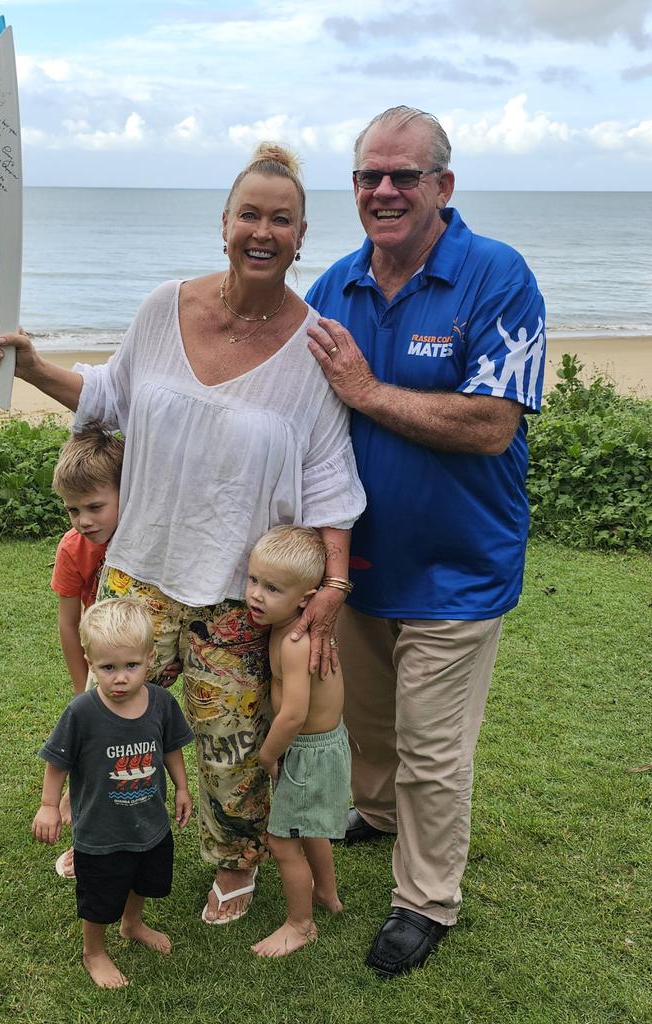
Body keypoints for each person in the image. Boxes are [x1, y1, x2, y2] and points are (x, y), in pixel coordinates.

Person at [0, 142, 366, 924]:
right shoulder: (165, 306)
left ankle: (235, 864)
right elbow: (107, 394)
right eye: (250, 215)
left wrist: (332, 585)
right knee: (110, 716)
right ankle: (103, 829)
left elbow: (331, 483)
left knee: (231, 750)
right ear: (224, 223)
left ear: (301, 238)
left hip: (242, 595)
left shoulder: (315, 345)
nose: (263, 231)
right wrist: (31, 367)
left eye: (282, 220)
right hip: (140, 571)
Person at [303, 106, 546, 977]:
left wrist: (368, 392)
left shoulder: (497, 277)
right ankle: (373, 813)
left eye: (405, 175)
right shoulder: (333, 288)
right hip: (357, 569)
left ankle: (426, 899)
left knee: (434, 754)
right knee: (370, 733)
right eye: (370, 175)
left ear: (443, 186)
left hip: (459, 568)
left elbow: (489, 425)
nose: (385, 190)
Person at [32, 598, 193, 989]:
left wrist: (183, 788)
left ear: (150, 658)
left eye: (131, 666)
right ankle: (94, 951)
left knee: (145, 878)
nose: (120, 678)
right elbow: (58, 761)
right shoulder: (82, 712)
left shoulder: (161, 703)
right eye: (108, 668)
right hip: (100, 831)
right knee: (100, 894)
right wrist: (49, 806)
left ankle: (132, 923)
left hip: (149, 822)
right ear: (90, 663)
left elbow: (171, 746)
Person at [245, 525, 350, 957]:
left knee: (284, 840)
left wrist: (268, 754)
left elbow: (293, 713)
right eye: (253, 580)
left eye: (272, 588)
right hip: (326, 745)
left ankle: (300, 924)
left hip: (306, 751)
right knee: (310, 828)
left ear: (306, 599)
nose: (255, 595)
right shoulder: (289, 625)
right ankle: (327, 894)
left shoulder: (292, 641)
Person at [51, 422, 124, 694]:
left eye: (95, 507)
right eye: (73, 510)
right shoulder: (71, 549)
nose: (84, 521)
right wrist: (82, 690)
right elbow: (68, 623)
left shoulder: (146, 538)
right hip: (102, 657)